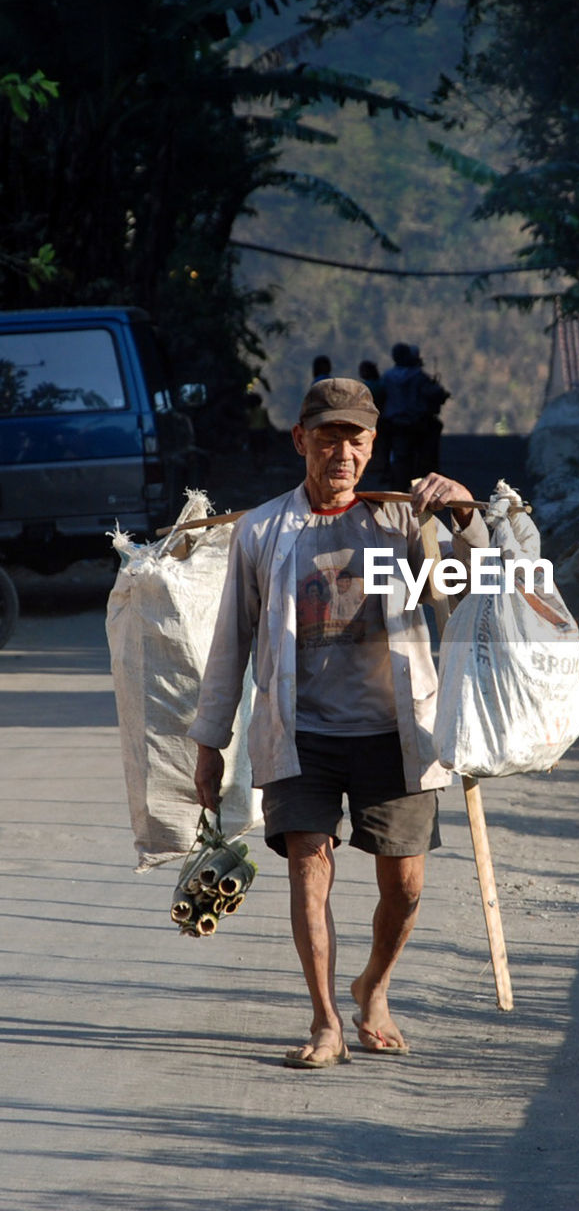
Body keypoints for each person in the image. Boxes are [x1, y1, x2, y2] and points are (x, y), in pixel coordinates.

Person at [189, 377, 486, 1069]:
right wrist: (210, 743)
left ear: (372, 443)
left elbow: (473, 592)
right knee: (307, 870)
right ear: (301, 441)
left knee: (405, 888)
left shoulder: (401, 522)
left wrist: (465, 517)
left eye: (355, 438)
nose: (342, 452)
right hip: (301, 736)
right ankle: (326, 1021)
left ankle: (372, 988)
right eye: (327, 437)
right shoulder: (264, 531)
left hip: (395, 734)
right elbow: (229, 641)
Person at [381, 343, 449, 488]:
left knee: (400, 456)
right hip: (416, 422)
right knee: (424, 456)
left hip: (395, 423)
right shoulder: (418, 376)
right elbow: (435, 393)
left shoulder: (387, 377)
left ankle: (395, 481)